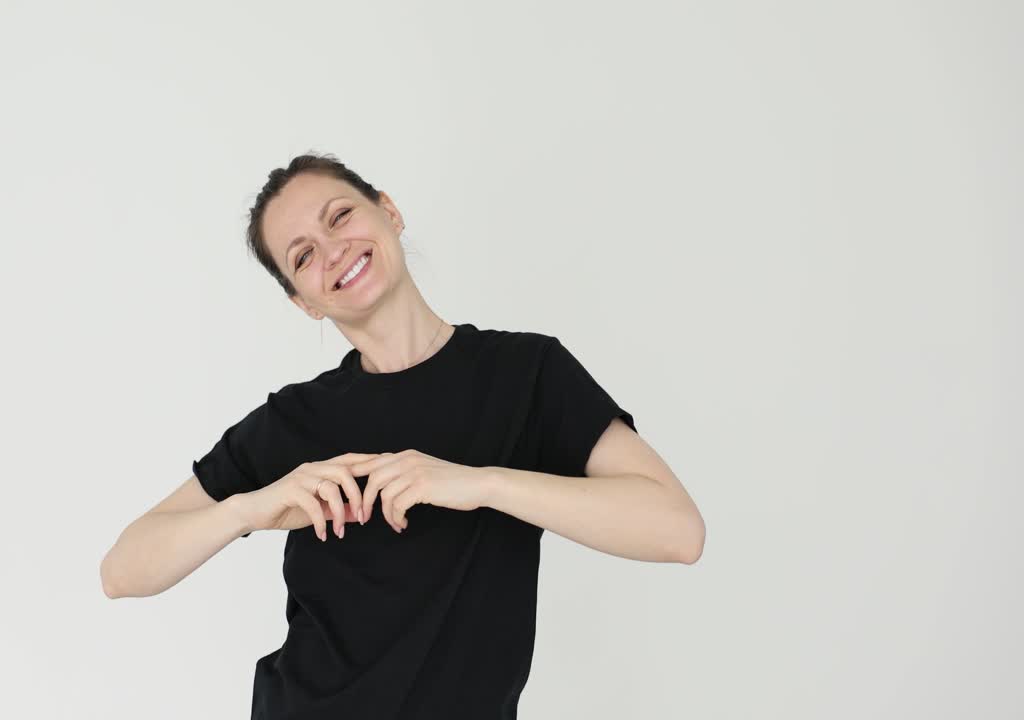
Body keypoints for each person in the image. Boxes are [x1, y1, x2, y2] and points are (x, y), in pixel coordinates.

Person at [100, 153, 704, 719]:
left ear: (388, 211)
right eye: (303, 256)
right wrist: (250, 509)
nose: (333, 251)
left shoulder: (527, 375)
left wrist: (481, 484)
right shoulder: (293, 420)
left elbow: (677, 530)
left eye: (340, 217)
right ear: (304, 303)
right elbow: (122, 571)